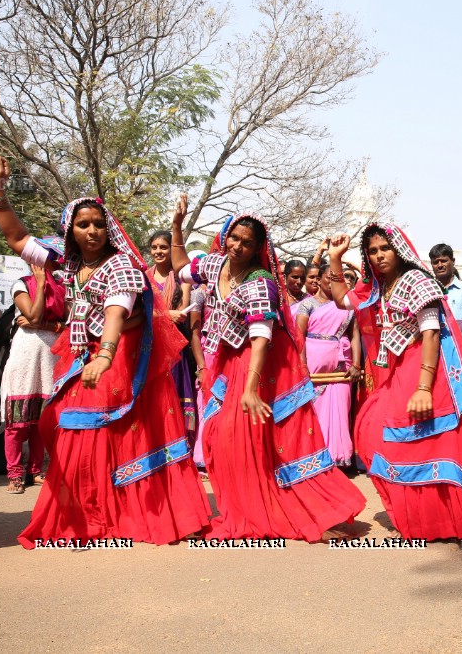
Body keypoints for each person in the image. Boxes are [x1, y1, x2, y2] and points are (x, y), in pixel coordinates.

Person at [0, 156, 212, 547]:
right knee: (71, 429)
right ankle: (93, 513)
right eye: (83, 224)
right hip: (83, 356)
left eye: (99, 224)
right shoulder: (71, 262)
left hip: (120, 358)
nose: (92, 231)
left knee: (104, 433)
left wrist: (105, 355)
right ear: (70, 230)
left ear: (109, 229)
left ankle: (119, 514)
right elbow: (19, 241)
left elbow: (117, 309)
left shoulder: (120, 264)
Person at [170, 198, 365, 541]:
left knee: (239, 438)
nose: (238, 246)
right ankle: (244, 503)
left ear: (259, 248)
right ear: (225, 237)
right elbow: (182, 266)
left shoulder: (261, 283)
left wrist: (249, 388)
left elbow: (260, 338)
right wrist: (176, 226)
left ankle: (265, 508)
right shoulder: (217, 265)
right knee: (217, 437)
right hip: (227, 364)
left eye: (247, 242)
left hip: (253, 366)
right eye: (234, 238)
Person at [325, 224, 462, 540]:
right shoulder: (380, 287)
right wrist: (335, 258)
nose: (379, 255)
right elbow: (344, 302)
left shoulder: (416, 280)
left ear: (399, 249)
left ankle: (446, 520)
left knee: (427, 446)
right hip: (399, 372)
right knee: (380, 435)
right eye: (373, 251)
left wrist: (424, 388)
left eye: (385, 248)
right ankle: (425, 518)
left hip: (426, 372)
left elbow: (431, 333)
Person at [0, 253, 66, 494]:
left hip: (51, 354)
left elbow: (65, 322)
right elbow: (35, 315)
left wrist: (51, 326)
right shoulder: (22, 284)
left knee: (41, 420)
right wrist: (40, 284)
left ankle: (35, 470)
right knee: (17, 421)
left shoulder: (62, 286)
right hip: (25, 355)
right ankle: (15, 473)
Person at [296, 264, 362, 465]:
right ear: (319, 280)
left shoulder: (348, 307)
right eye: (328, 278)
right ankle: (314, 456)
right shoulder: (307, 305)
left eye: (336, 279)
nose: (331, 282)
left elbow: (355, 335)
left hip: (341, 363)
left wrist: (357, 364)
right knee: (313, 410)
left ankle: (337, 457)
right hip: (313, 364)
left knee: (340, 408)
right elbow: (300, 336)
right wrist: (302, 366)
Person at [146, 228, 198, 440]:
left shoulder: (180, 278)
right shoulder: (144, 277)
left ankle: (178, 444)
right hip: (150, 346)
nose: (159, 251)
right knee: (152, 397)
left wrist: (162, 314)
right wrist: (166, 314)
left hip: (175, 347)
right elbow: (140, 311)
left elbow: (183, 310)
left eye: (164, 247)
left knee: (175, 394)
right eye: (154, 247)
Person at [429, 243, 462, 323]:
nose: (439, 265)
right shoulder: (428, 291)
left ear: (453, 261)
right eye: (435, 262)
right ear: (431, 264)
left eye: (443, 261)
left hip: (461, 335)